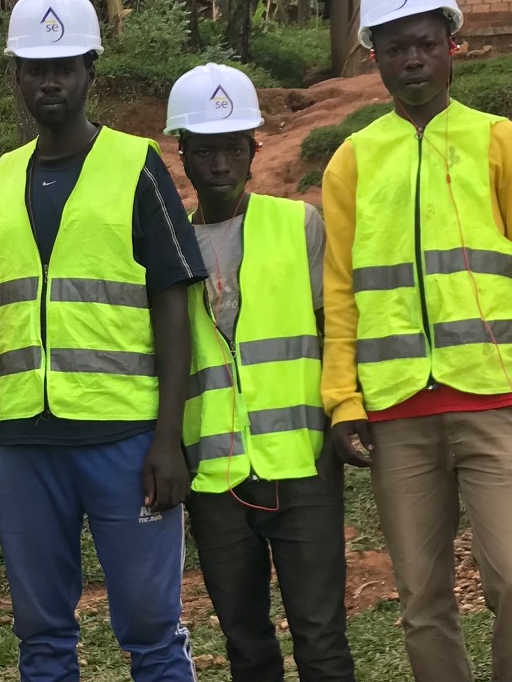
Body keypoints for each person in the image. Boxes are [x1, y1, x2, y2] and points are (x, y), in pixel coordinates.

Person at [319, 0, 512, 682]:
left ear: (451, 45)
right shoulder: (349, 162)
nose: (411, 57)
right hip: (396, 413)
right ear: (373, 55)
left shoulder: (499, 142)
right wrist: (342, 398)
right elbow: (339, 293)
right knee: (421, 601)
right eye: (394, 45)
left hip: (492, 403)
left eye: (425, 42)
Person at [0, 0, 205, 682]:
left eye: (65, 65)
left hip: (123, 442)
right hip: (23, 448)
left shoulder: (134, 165)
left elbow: (172, 302)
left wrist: (169, 436)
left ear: (90, 73)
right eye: (36, 67)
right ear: (15, 76)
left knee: (151, 629)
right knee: (41, 635)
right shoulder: (1, 178)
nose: (50, 80)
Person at [170, 64, 355, 682]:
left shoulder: (297, 225)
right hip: (217, 476)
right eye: (204, 150)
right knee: (246, 645)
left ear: (253, 150)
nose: (219, 163)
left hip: (302, 465)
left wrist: (341, 416)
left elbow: (334, 328)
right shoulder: (168, 247)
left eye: (232, 148)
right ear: (184, 155)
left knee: (322, 640)